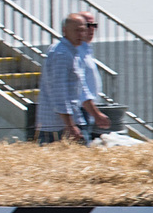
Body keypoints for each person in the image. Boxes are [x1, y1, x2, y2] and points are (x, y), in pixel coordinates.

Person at [36, 11, 108, 143]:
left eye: (82, 30)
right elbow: (59, 93)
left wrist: (96, 114)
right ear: (65, 31)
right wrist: (70, 125)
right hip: (57, 127)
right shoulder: (61, 53)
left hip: (72, 120)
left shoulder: (73, 51)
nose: (81, 34)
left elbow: (81, 88)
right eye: (76, 31)